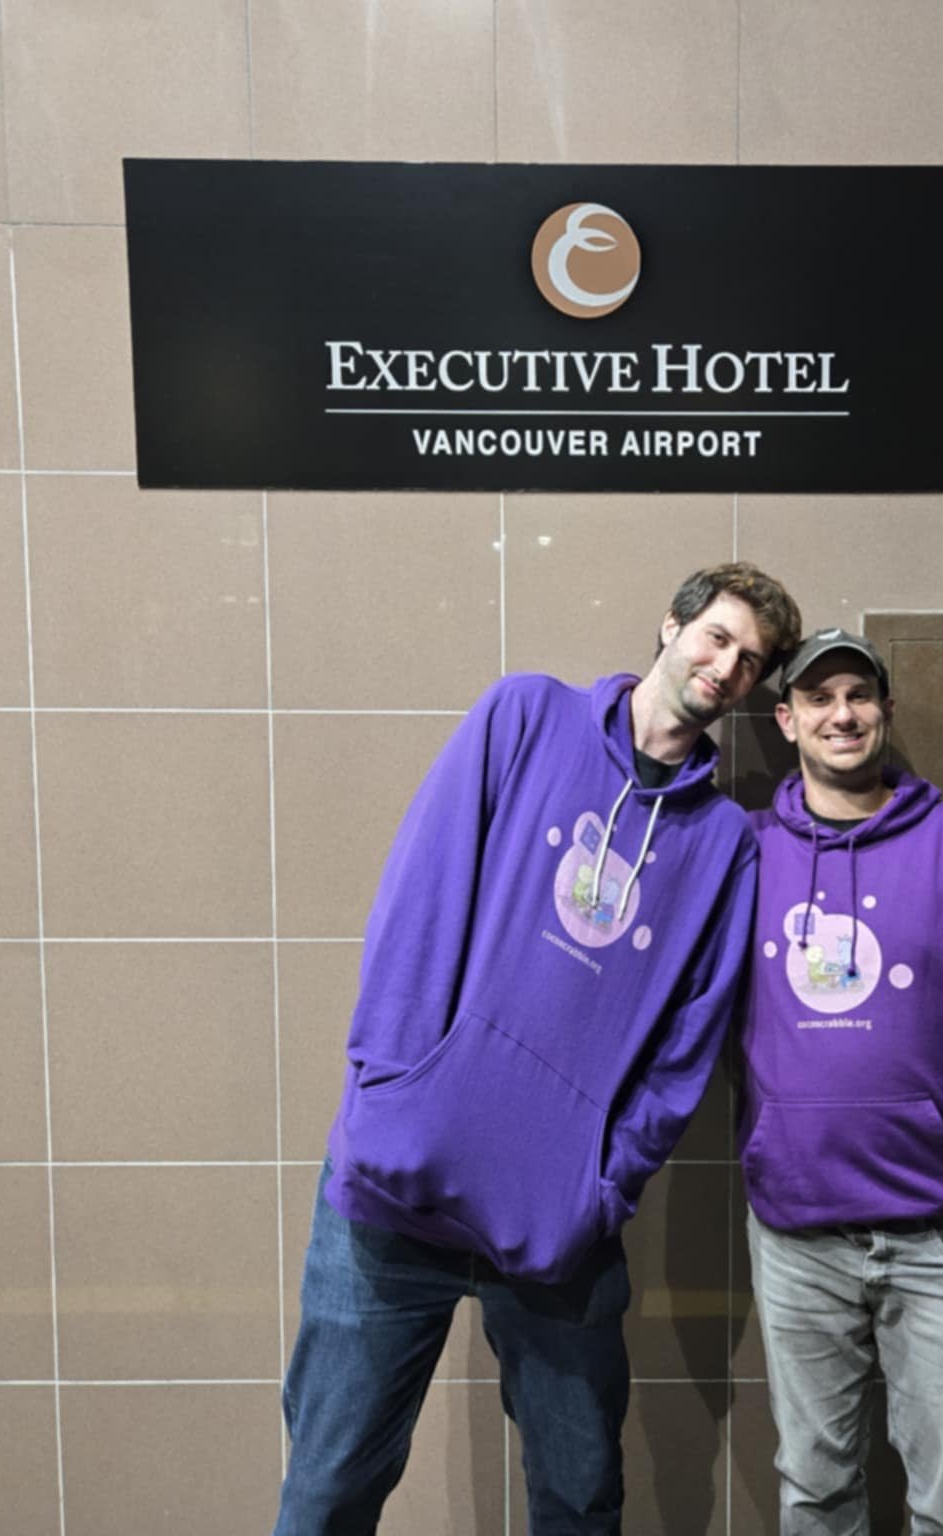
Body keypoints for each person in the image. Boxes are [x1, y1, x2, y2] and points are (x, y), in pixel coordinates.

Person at [274, 563, 800, 1536]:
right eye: (717, 637)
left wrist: (603, 1185)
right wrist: (395, 1093)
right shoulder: (526, 716)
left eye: (751, 661)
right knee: (327, 1491)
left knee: (580, 1497)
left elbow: (687, 1042)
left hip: (556, 1227)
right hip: (393, 1192)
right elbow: (419, 898)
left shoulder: (725, 842)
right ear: (671, 626)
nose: (727, 667)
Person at [737, 627, 943, 1536]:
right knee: (815, 1492)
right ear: (786, 720)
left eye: (859, 695)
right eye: (819, 698)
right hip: (798, 1235)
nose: (841, 714)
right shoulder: (749, 853)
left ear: (886, 710)